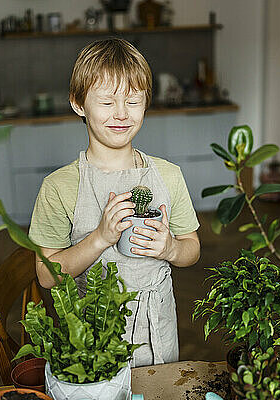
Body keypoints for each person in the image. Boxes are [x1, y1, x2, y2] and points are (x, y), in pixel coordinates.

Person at [28, 37, 200, 367]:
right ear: (79, 104)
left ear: (146, 103)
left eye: (133, 101)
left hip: (158, 330)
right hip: (92, 338)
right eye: (107, 103)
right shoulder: (59, 187)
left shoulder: (168, 175)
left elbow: (192, 247)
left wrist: (171, 250)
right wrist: (100, 238)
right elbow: (47, 277)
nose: (121, 114)